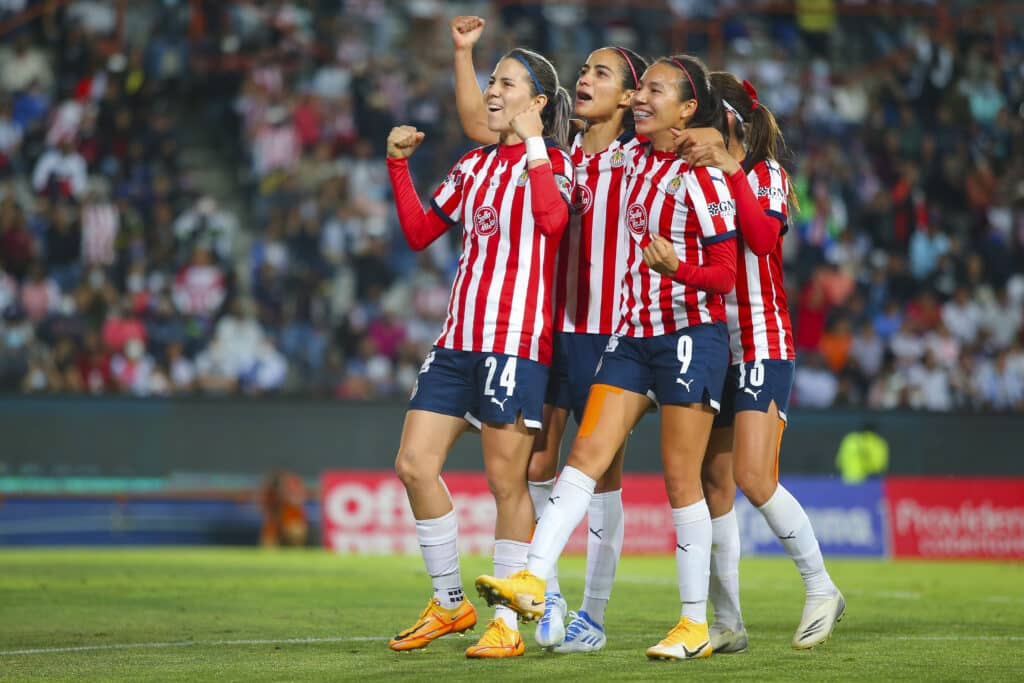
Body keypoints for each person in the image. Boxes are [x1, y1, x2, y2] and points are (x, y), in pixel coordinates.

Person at [475, 54, 738, 662]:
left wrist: (682, 265)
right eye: (639, 88)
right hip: (628, 337)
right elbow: (513, 133)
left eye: (651, 89)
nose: (641, 97)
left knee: (679, 479)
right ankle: (533, 579)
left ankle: (691, 621)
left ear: (687, 107)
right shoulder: (620, 159)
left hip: (687, 336)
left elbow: (723, 274)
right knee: (579, 462)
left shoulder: (703, 173)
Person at [449, 15, 648, 653]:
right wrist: (464, 54)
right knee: (538, 463)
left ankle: (591, 612)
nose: (586, 79)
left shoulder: (640, 156)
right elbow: (482, 126)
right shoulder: (555, 149)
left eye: (602, 73)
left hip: (611, 333)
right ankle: (549, 592)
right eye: (584, 70)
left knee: (600, 474)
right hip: (550, 327)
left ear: (629, 98)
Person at [384, 42, 574, 659]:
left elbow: (551, 224)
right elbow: (419, 233)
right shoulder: (473, 167)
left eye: (508, 84)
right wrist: (397, 167)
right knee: (414, 464)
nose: (492, 92)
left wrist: (537, 146)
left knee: (506, 484)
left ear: (537, 102)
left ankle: (508, 626)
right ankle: (448, 603)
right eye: (491, 81)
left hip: (515, 347)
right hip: (456, 343)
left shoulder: (558, 166)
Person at [679, 73, 846, 651]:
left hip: (760, 343)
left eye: (699, 120)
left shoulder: (764, 175)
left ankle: (821, 586)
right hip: (711, 346)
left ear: (727, 123)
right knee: (714, 482)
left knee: (753, 476)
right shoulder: (693, 179)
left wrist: (729, 167)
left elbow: (760, 237)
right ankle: (728, 622)